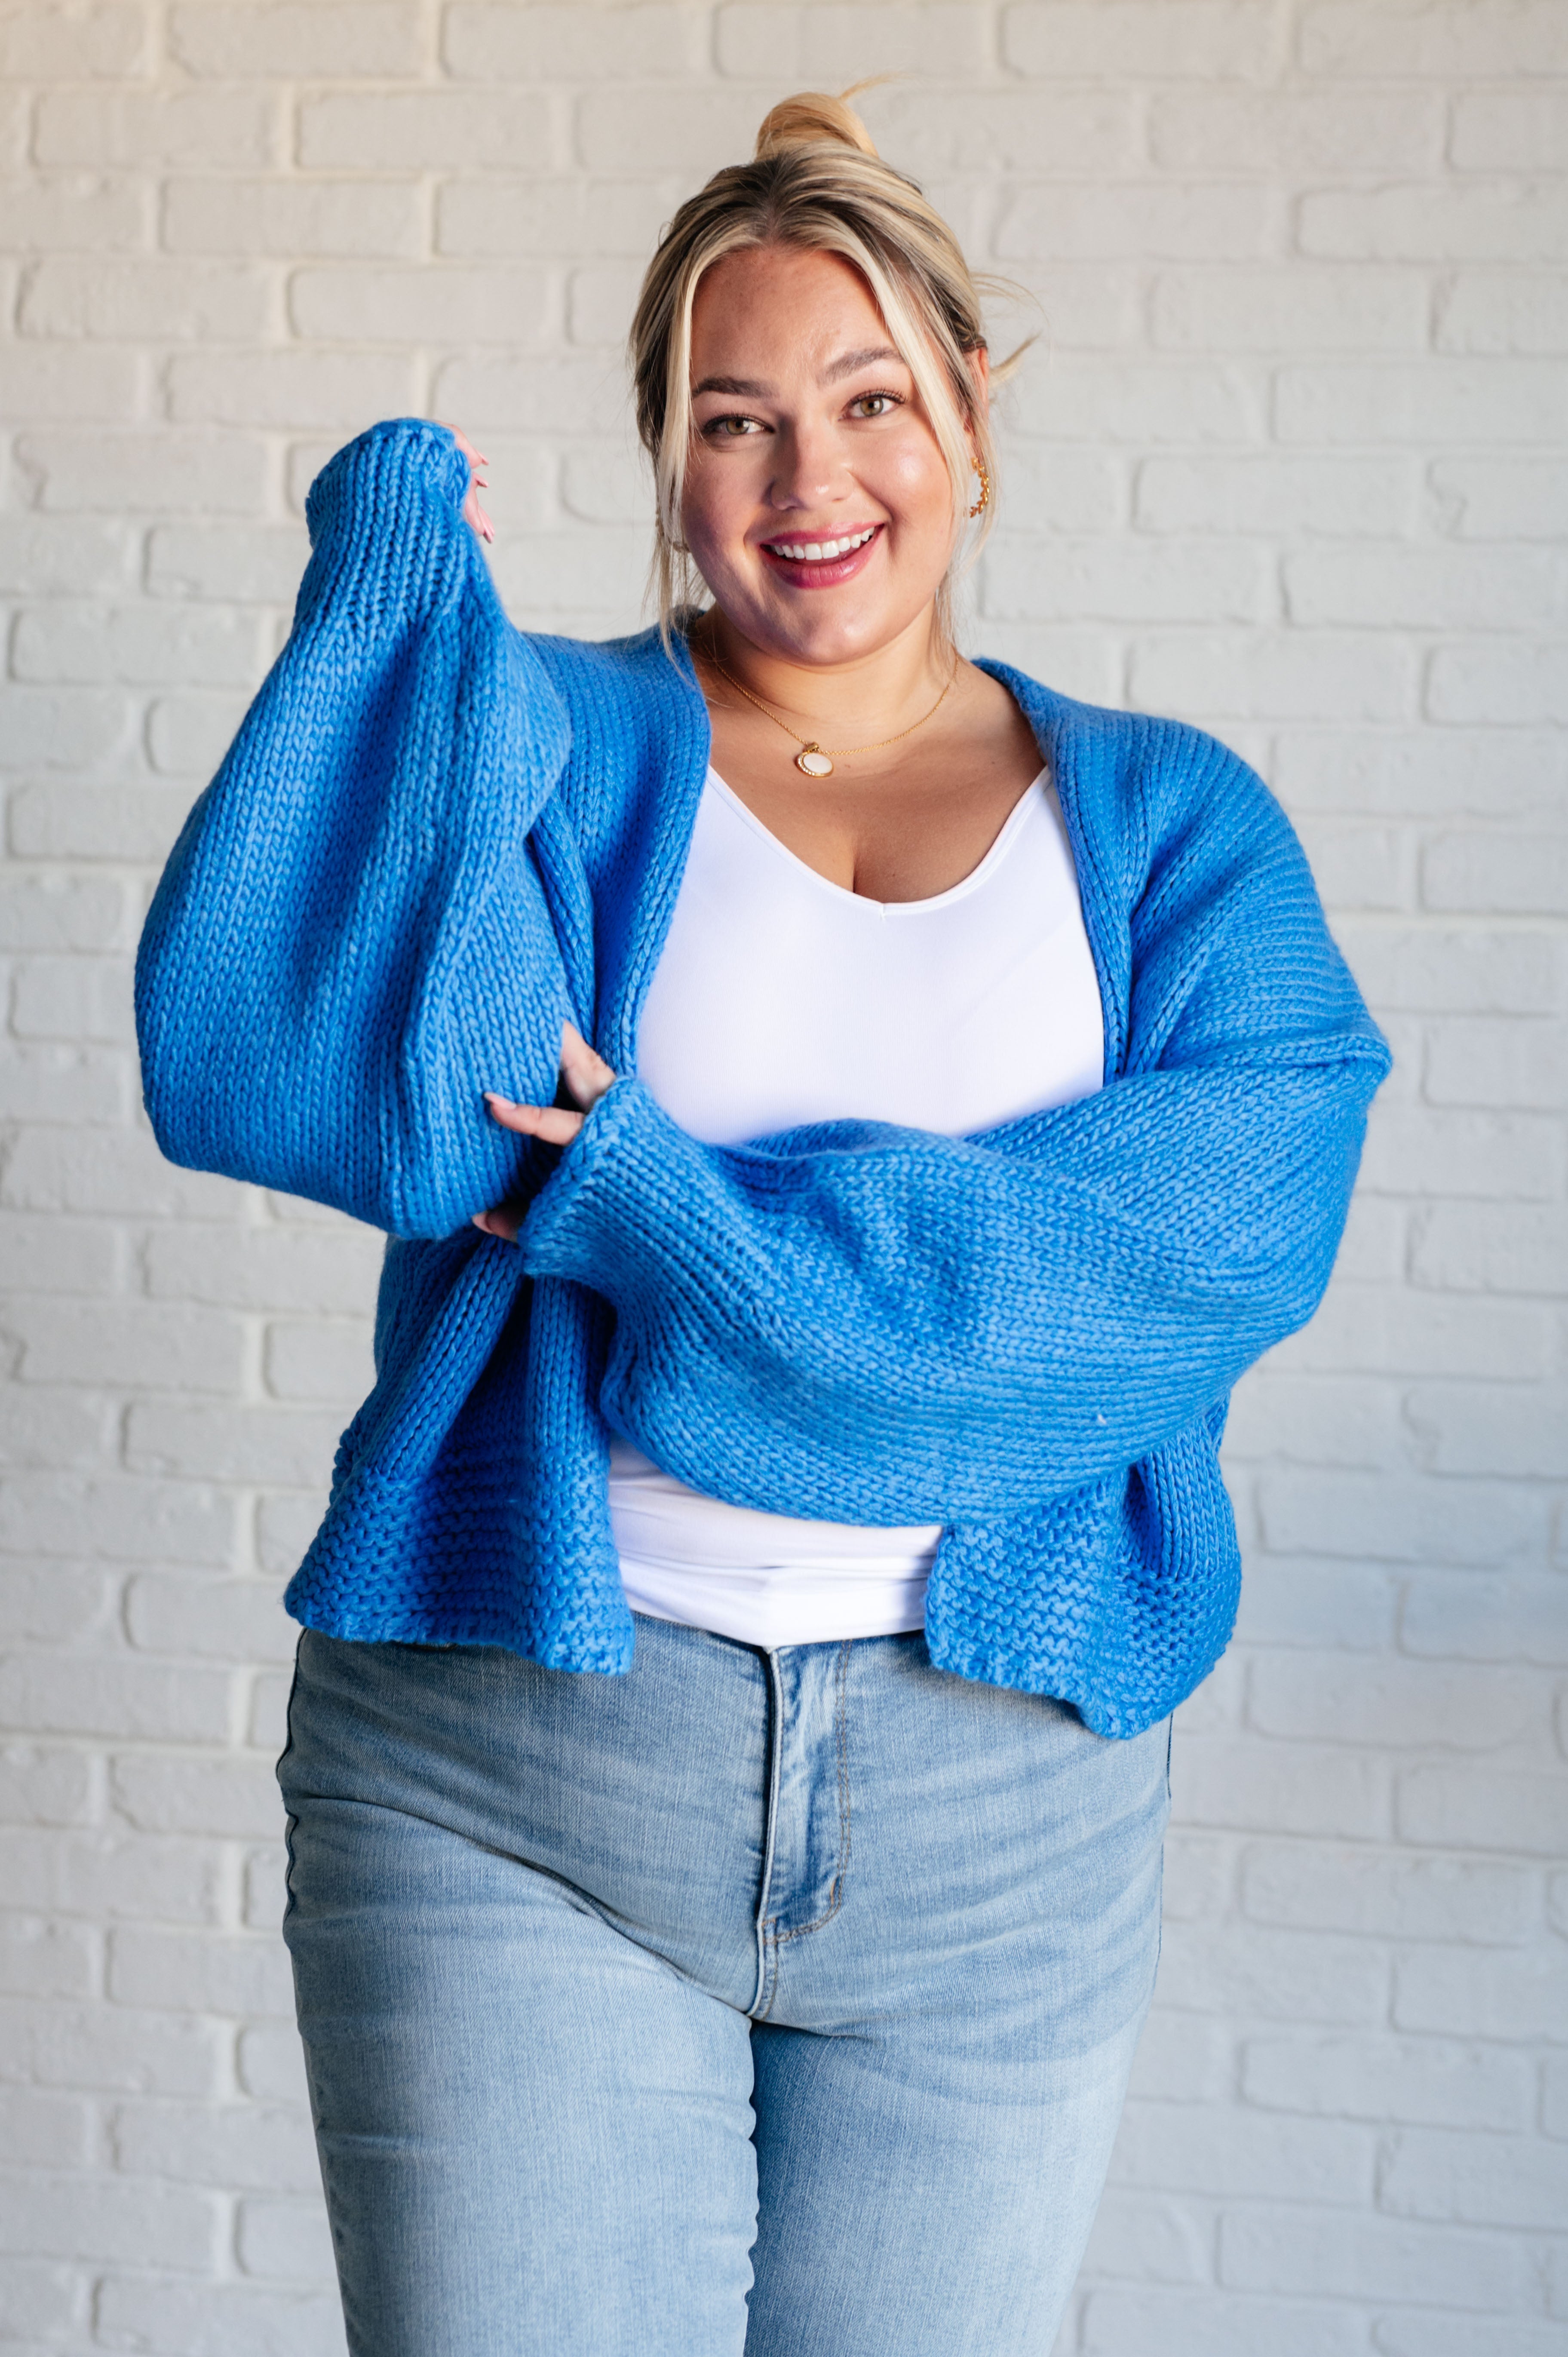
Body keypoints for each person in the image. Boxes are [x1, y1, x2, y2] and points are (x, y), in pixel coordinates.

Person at [135, 89, 1390, 2357]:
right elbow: (310, 1078)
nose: (812, 481)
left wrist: (648, 1212)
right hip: (516, 1778)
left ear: (972, 414)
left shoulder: (1174, 829)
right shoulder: (554, 738)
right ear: (665, 454)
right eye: (735, 420)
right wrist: (394, 636)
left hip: (1000, 1825)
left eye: (871, 400)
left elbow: (1180, 1277)